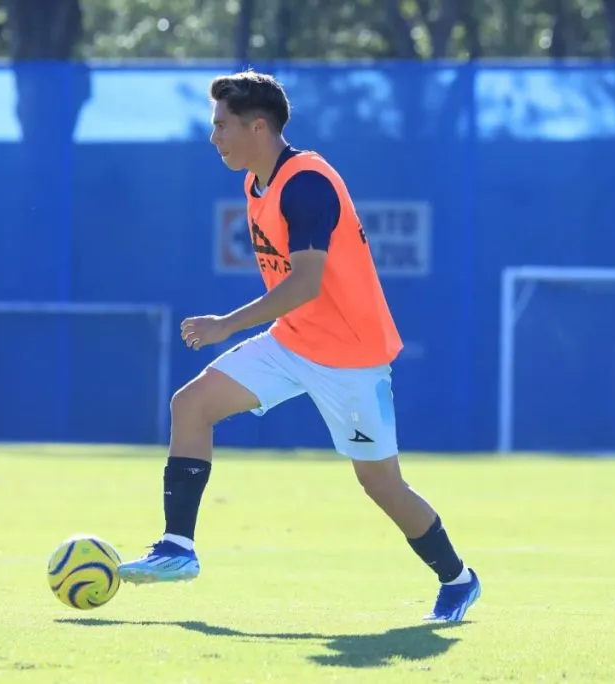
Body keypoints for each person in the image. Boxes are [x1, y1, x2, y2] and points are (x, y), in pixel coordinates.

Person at [118, 71, 480, 622]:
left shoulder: (307, 182)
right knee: (190, 405)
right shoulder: (255, 182)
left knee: (381, 485)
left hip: (351, 358)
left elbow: (307, 283)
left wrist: (226, 324)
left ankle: (458, 579)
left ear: (258, 127)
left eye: (222, 125)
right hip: (292, 341)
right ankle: (178, 547)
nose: (214, 137)